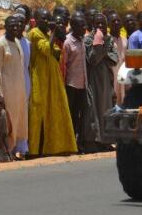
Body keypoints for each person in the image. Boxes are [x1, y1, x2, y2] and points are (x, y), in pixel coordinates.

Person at [26, 10, 75, 157]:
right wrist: (53, 32)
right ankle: (35, 149)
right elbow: (46, 49)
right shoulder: (35, 33)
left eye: (48, 19)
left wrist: (57, 33)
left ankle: (54, 146)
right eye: (44, 18)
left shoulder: (46, 34)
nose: (47, 21)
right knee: (38, 112)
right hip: (39, 78)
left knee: (53, 111)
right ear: (36, 19)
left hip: (51, 79)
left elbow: (56, 52)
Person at [0, 15, 28, 158]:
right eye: (11, 25)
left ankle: (15, 150)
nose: (15, 28)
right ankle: (6, 151)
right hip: (7, 90)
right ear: (5, 27)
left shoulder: (18, 42)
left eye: (16, 25)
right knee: (9, 121)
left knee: (19, 119)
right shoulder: (0, 44)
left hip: (19, 89)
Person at [83, 13, 117, 149]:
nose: (101, 26)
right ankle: (94, 141)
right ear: (93, 25)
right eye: (98, 24)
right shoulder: (88, 40)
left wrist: (102, 51)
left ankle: (106, 141)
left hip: (106, 80)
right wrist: (98, 45)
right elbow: (92, 60)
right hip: (93, 80)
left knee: (106, 108)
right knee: (93, 110)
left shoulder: (109, 39)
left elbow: (114, 59)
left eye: (103, 23)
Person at [62, 14, 88, 151]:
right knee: (71, 115)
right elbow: (63, 65)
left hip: (83, 84)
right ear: (74, 26)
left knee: (80, 115)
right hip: (71, 85)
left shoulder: (83, 40)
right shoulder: (67, 42)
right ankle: (70, 144)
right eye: (82, 25)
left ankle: (78, 142)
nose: (85, 28)